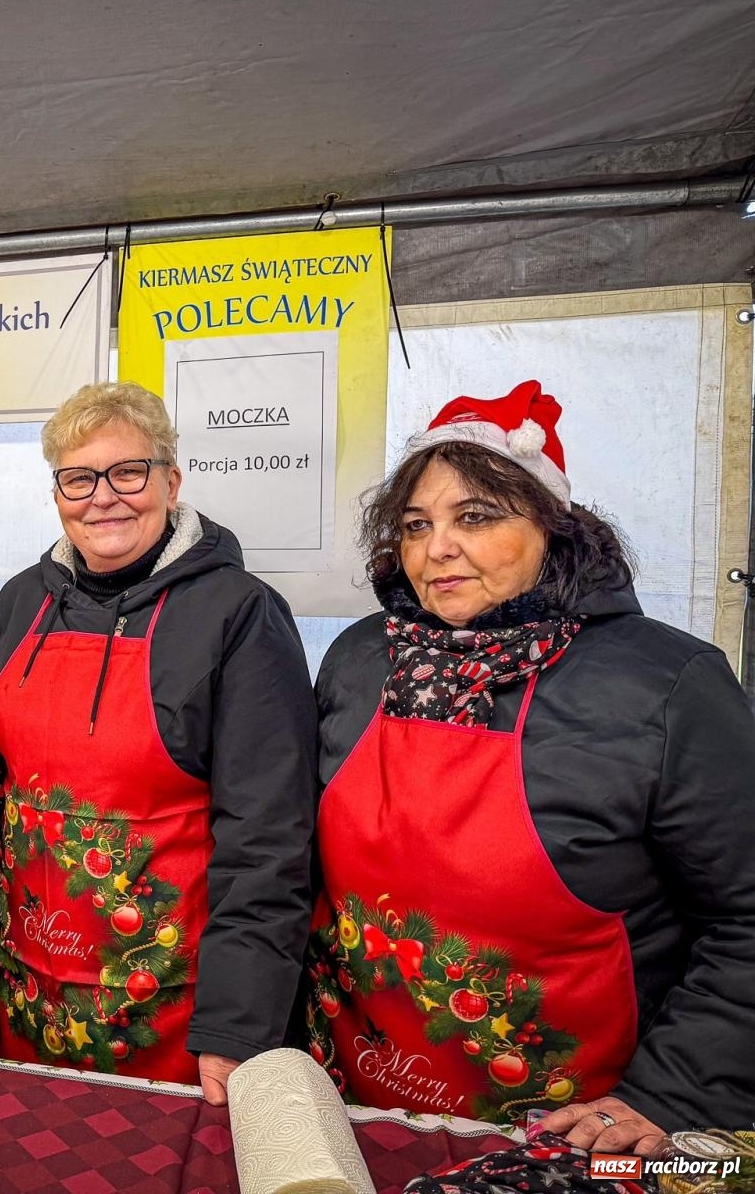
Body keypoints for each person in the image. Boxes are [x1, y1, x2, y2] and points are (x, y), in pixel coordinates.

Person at [305, 380, 755, 1148]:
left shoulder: (668, 684)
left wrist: (672, 1095)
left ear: (556, 527)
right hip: (356, 1104)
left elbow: (743, 920)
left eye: (474, 517)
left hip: (574, 1126)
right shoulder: (356, 661)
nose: (436, 548)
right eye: (415, 525)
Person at [0, 381, 317, 1100]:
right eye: (79, 478)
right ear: (56, 494)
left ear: (171, 480)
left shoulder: (241, 615)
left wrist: (238, 1030)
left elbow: (268, 842)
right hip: (28, 994)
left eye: (127, 472)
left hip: (169, 1007)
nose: (103, 497)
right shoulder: (21, 602)